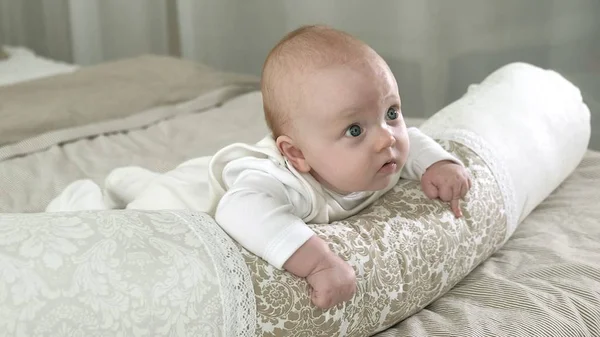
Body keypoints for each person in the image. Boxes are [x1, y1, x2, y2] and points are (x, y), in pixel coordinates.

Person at [46, 24, 471, 310]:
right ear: (297, 155)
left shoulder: (379, 148)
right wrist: (320, 263)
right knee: (127, 232)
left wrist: (439, 163)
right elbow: (239, 209)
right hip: (186, 203)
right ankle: (87, 200)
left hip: (203, 178)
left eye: (392, 111)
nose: (386, 137)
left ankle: (131, 180)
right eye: (355, 129)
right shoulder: (279, 182)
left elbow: (410, 142)